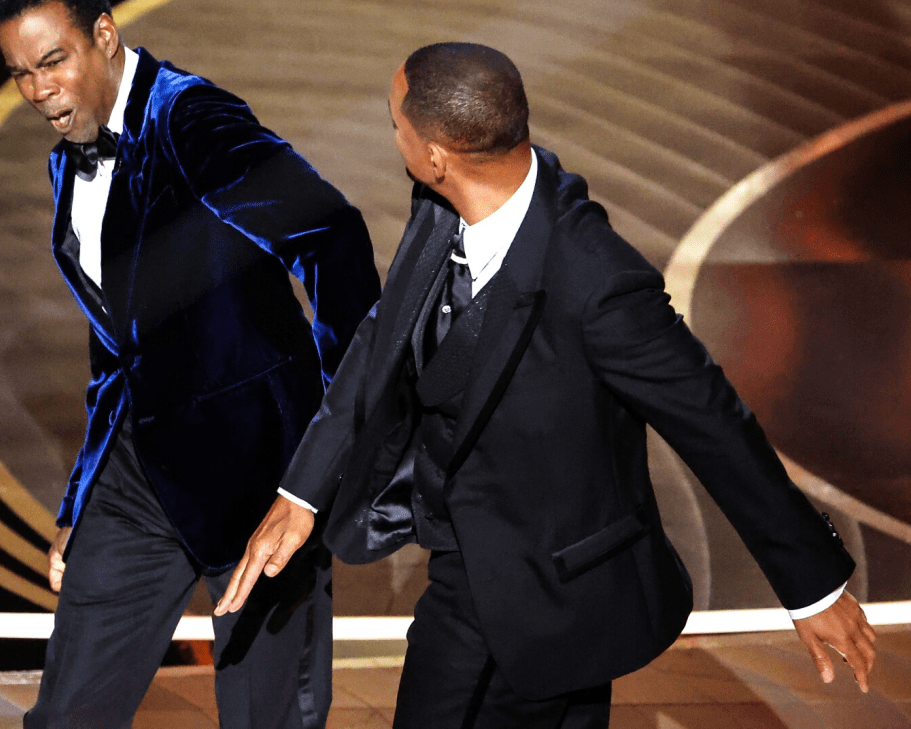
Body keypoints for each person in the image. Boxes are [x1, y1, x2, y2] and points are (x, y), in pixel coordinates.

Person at [218, 42, 877, 728]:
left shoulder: (598, 281)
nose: (394, 138)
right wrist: (303, 492)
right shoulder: (439, 204)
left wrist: (813, 587)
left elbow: (713, 422)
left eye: (395, 125)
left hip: (556, 587)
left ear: (437, 156)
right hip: (476, 569)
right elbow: (387, 333)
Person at [0, 0, 380, 729]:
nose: (37, 90)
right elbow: (117, 342)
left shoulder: (193, 120)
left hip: (257, 482)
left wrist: (326, 451)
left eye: (53, 62)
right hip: (140, 475)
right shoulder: (68, 161)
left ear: (104, 35)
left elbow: (333, 238)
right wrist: (81, 496)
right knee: (67, 716)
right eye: (20, 73)